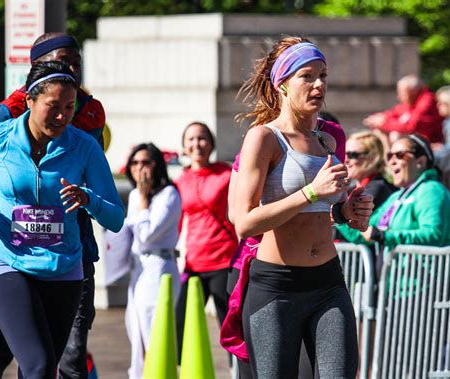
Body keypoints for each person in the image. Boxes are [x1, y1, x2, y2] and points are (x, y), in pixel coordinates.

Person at [232, 38, 373, 378]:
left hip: (328, 281)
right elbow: (244, 223)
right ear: (282, 85)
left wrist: (350, 213)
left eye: (323, 75)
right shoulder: (263, 138)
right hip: (277, 287)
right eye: (307, 76)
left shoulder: (327, 141)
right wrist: (310, 192)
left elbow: (327, 213)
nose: (319, 84)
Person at [0, 61, 124, 378]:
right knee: (37, 365)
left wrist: (88, 199)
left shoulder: (84, 147)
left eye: (69, 106)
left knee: (41, 368)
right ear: (29, 101)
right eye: (54, 106)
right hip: (8, 261)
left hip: (64, 268)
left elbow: (116, 217)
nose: (63, 116)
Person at [337, 134, 450, 272]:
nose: (392, 161)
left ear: (421, 161)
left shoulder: (431, 190)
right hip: (395, 286)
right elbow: (363, 233)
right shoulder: (396, 196)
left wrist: (384, 236)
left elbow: (433, 234)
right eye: (389, 156)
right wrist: (337, 213)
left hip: (423, 286)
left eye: (399, 155)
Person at [175, 121, 238, 361]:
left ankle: (237, 373)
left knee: (230, 328)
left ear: (211, 143)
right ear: (184, 146)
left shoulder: (226, 173)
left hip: (224, 261)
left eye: (201, 138)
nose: (196, 144)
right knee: (180, 325)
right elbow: (177, 221)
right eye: (190, 139)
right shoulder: (181, 180)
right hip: (193, 265)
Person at [123, 143, 182, 379]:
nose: (139, 168)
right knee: (136, 332)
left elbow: (147, 236)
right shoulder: (134, 194)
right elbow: (129, 232)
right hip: (138, 269)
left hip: (159, 269)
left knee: (154, 332)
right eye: (135, 162)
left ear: (156, 164)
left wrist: (145, 201)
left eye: (145, 162)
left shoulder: (169, 193)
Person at [363, 74, 444, 147]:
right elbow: (395, 112)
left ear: (413, 92)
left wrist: (383, 124)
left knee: (395, 135)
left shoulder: (427, 101)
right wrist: (380, 118)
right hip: (417, 138)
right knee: (379, 132)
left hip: (431, 142)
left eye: (402, 93)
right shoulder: (411, 101)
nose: (398, 97)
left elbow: (412, 126)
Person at [344, 131, 397, 210]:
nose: (346, 160)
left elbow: (350, 216)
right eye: (344, 154)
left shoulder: (377, 188)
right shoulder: (353, 188)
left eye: (352, 155)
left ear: (373, 157)